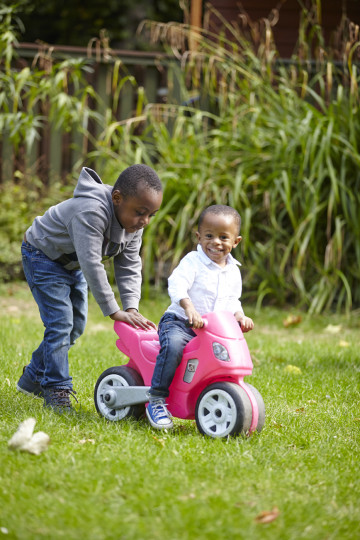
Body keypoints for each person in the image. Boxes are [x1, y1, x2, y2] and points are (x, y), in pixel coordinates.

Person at [17, 165, 163, 413]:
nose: (145, 221)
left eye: (151, 214)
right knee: (61, 324)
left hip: (71, 263)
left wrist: (131, 306)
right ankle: (56, 389)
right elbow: (92, 264)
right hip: (42, 256)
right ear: (117, 198)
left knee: (76, 326)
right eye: (140, 212)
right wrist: (114, 310)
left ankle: (32, 378)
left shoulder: (133, 225)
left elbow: (128, 264)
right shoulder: (91, 211)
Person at [146, 204, 254, 430]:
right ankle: (156, 399)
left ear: (236, 241)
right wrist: (189, 309)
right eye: (209, 236)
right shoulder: (192, 262)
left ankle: (210, 393)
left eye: (224, 237)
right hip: (180, 322)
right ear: (198, 237)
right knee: (174, 347)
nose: (216, 242)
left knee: (220, 358)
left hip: (209, 328)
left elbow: (233, 300)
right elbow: (177, 285)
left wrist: (240, 316)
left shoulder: (233, 271)